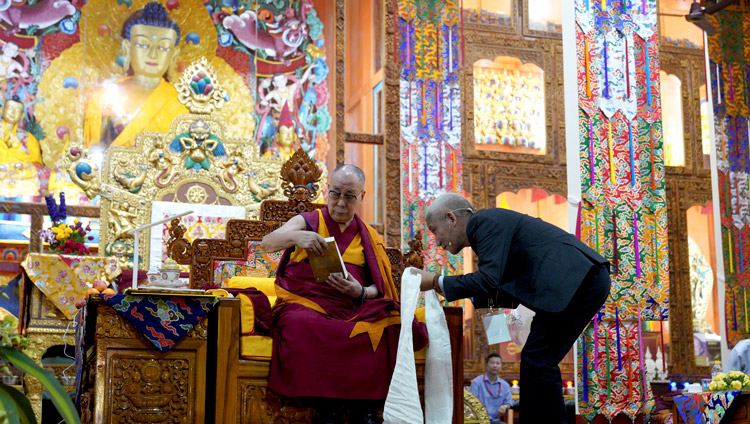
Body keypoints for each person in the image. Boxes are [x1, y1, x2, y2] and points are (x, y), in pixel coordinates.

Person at [411, 193, 611, 424]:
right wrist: (452, 291)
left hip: (579, 280)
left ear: (451, 218)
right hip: (575, 283)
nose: (436, 241)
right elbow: (504, 284)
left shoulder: (482, 222)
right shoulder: (487, 228)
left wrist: (436, 281)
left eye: (435, 230)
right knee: (537, 359)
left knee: (538, 359)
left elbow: (488, 280)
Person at [261, 164, 428, 424]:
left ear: (361, 197)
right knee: (301, 323)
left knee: (389, 326)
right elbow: (267, 242)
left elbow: (380, 288)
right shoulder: (309, 221)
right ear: (326, 192)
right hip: (308, 303)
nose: (340, 203)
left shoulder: (369, 236)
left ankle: (367, 410)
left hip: (352, 308)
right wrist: (298, 238)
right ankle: (325, 408)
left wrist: (360, 291)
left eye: (349, 196)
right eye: (335, 193)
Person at [82, 2, 188, 153]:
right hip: (110, 173)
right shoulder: (104, 96)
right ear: (127, 48)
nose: (153, 54)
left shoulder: (182, 103)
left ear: (174, 55)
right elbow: (92, 149)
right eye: (143, 45)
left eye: (163, 47)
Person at [469, 353, 513, 424]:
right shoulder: (477, 382)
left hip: (495, 421)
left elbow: (508, 403)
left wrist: (504, 406)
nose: (495, 366)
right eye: (492, 363)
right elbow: (471, 403)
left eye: (498, 363)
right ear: (486, 365)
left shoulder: (505, 385)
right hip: (478, 420)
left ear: (501, 367)